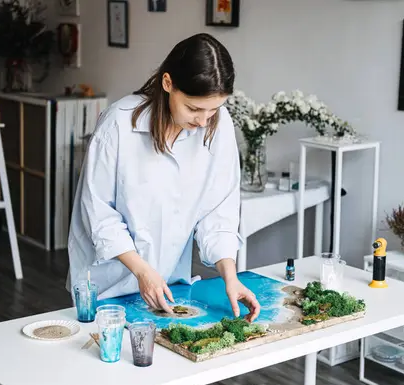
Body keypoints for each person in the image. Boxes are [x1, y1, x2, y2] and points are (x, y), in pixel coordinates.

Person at [67, 32, 260, 325]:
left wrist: (229, 276)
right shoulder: (119, 123)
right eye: (194, 108)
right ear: (168, 83)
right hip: (106, 284)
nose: (203, 121)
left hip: (168, 283)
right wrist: (142, 271)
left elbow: (219, 211)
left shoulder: (217, 127)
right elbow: (99, 213)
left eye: (214, 109)